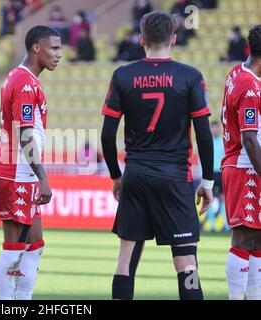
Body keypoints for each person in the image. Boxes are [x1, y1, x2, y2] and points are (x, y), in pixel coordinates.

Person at [101, 11, 214, 300]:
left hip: (136, 175)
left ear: (141, 40)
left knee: (125, 261)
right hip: (175, 178)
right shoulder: (190, 76)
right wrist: (208, 183)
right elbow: (203, 135)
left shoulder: (122, 75)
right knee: (187, 265)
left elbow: (106, 136)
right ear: (173, 39)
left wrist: (116, 177)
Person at [0, 25, 61, 300]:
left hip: (22, 172)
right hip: (16, 172)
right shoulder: (24, 82)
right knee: (14, 249)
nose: (59, 54)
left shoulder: (23, 78)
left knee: (35, 245)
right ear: (36, 48)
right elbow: (25, 132)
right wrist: (42, 177)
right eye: (54, 48)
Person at [221, 24, 261, 300]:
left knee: (257, 240)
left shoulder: (238, 72)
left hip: (245, 165)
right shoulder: (249, 86)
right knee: (244, 238)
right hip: (245, 166)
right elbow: (249, 138)